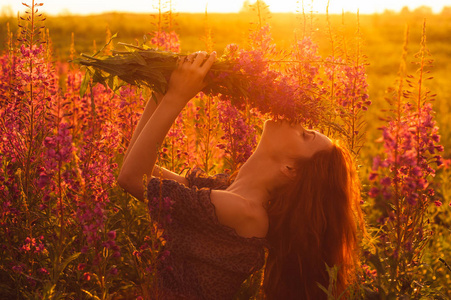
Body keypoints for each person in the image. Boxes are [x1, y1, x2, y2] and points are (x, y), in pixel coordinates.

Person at [118, 51, 364, 299]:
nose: (296, 121)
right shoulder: (227, 189)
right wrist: (161, 88)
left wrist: (177, 96)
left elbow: (132, 178)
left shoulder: (244, 212)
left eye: (304, 135)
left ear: (290, 169)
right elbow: (137, 166)